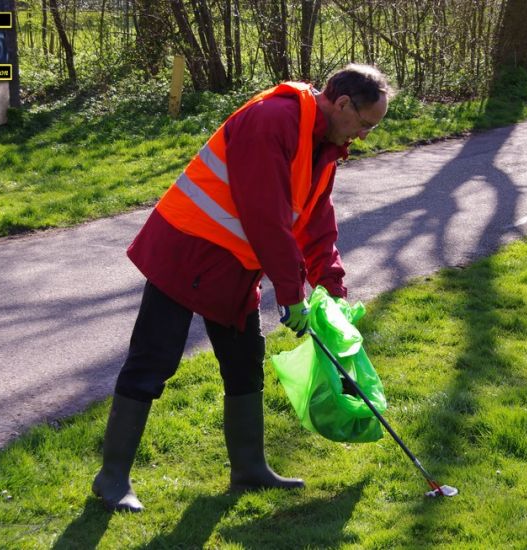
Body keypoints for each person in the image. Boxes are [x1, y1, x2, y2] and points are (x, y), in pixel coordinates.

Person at [92, 63, 392, 512]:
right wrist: (291, 294)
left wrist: (331, 287)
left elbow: (314, 218)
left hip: (232, 266)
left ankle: (249, 468)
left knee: (244, 362)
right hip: (186, 251)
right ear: (343, 103)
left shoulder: (324, 143)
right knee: (152, 361)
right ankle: (111, 478)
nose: (364, 136)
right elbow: (266, 218)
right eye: (366, 124)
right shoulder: (272, 120)